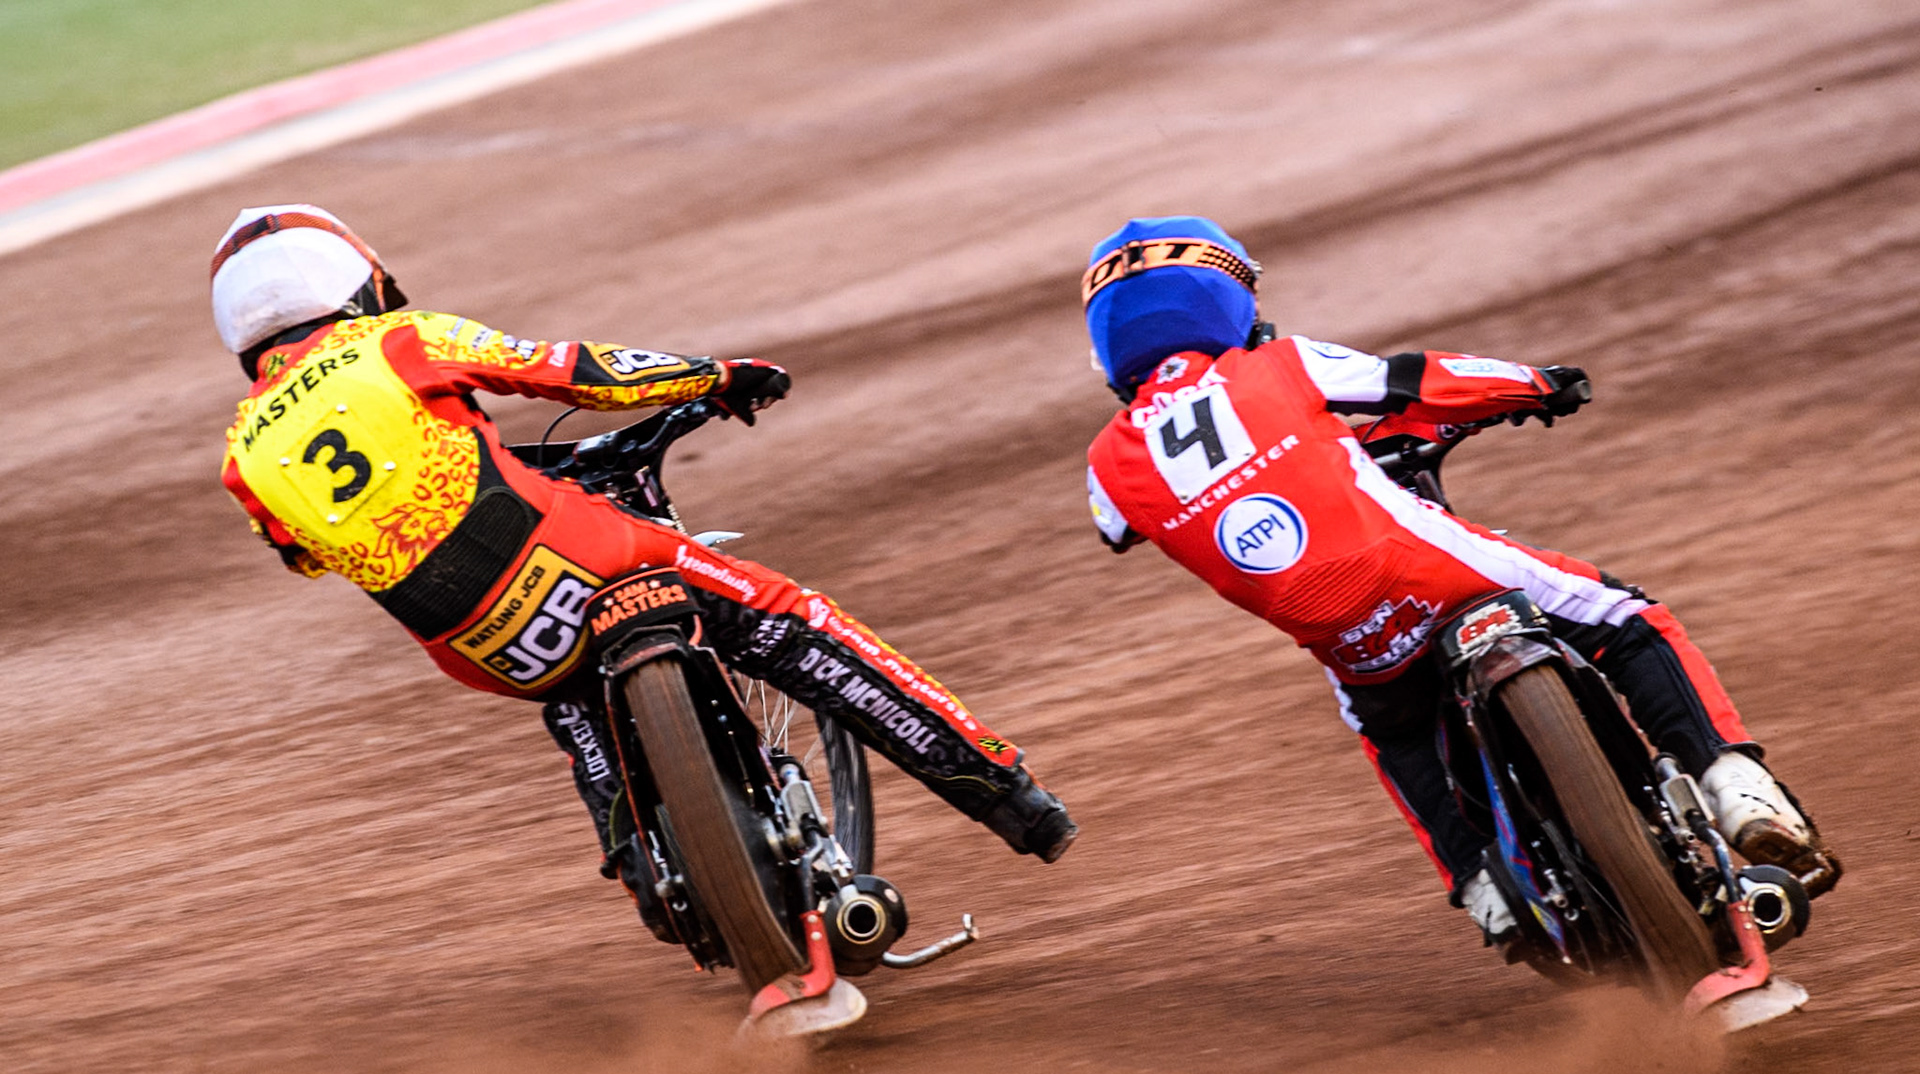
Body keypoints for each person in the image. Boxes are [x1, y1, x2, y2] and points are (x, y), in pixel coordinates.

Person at [212, 204, 1077, 928]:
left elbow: (307, 554)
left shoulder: (242, 453)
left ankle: (661, 886)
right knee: (787, 618)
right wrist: (716, 377)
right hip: (581, 555)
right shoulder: (397, 342)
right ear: (358, 283)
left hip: (475, 647)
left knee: (573, 702)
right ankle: (1008, 796)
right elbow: (580, 374)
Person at [1078, 215, 1836, 944]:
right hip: (1425, 572)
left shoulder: (1107, 466)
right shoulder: (1282, 364)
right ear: (1228, 299)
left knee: (1389, 732)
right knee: (1627, 618)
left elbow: (1116, 528)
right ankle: (1732, 782)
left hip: (1348, 639)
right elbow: (1419, 380)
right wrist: (1539, 383)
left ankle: (1481, 888)